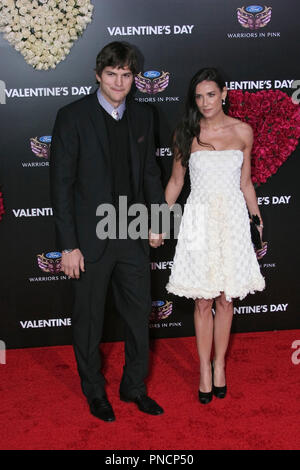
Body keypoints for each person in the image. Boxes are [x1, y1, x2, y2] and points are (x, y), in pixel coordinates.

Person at [50, 41, 165, 422]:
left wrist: (156, 221)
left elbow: (151, 173)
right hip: (89, 239)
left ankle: (134, 386)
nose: (119, 82)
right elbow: (61, 186)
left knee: (137, 318)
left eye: (126, 74)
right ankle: (94, 391)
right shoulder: (72, 116)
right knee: (89, 322)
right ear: (99, 75)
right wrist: (68, 246)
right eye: (112, 74)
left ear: (134, 78)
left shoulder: (144, 116)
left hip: (131, 232)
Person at [165, 67, 265, 404]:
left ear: (224, 93)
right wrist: (157, 219)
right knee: (203, 300)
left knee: (225, 299)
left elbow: (246, 182)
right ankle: (204, 370)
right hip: (199, 220)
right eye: (199, 96)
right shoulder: (186, 133)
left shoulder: (243, 132)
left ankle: (220, 364)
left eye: (211, 94)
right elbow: (177, 182)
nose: (206, 102)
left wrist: (257, 219)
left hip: (234, 220)